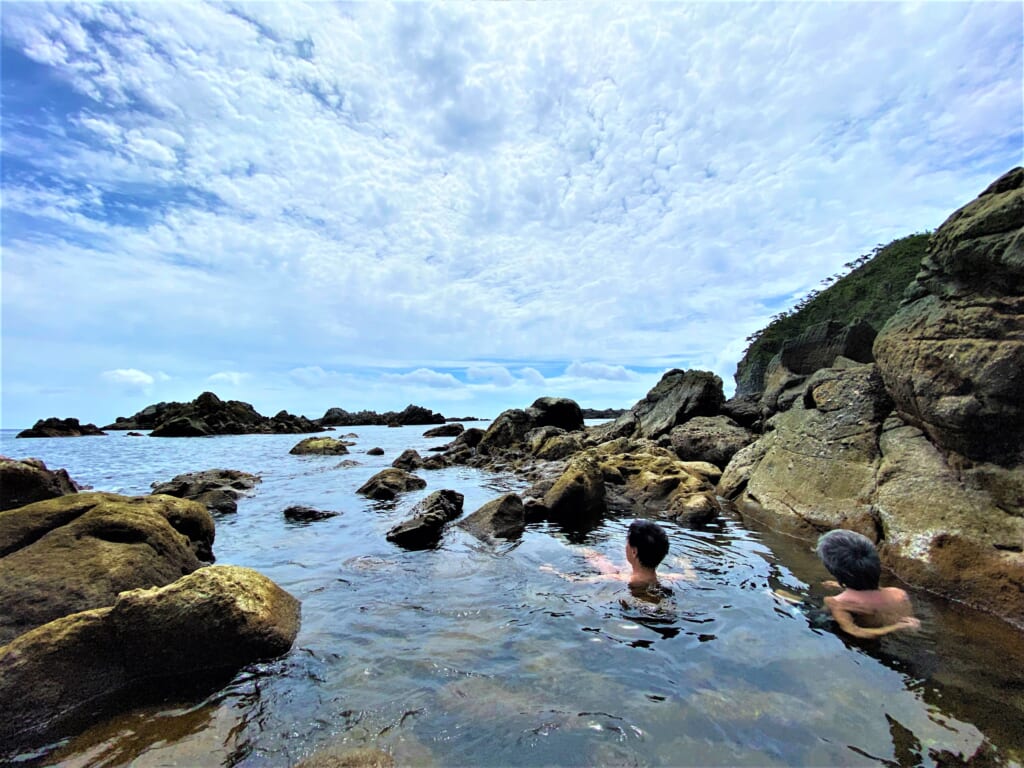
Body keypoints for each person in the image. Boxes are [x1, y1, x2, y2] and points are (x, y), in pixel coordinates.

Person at [816, 529, 920, 639]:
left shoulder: (836, 603)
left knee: (818, 614)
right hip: (892, 636)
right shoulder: (899, 594)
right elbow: (910, 625)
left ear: (834, 572)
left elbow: (854, 631)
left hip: (860, 644)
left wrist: (895, 627)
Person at [541, 519, 692, 587]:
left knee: (598, 559)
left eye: (627, 542)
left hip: (626, 578)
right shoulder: (671, 578)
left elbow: (575, 581)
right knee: (602, 561)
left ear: (633, 551)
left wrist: (553, 572)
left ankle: (560, 538)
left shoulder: (616, 579)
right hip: (639, 574)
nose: (624, 546)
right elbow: (692, 577)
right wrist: (686, 565)